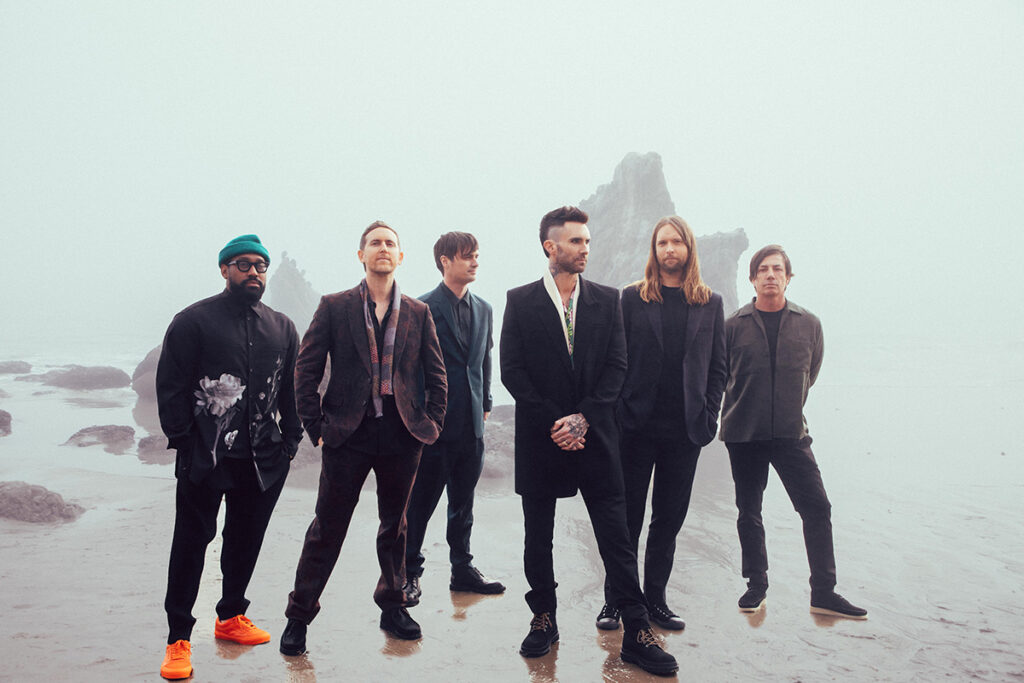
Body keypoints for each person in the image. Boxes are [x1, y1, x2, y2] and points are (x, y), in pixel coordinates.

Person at [499, 206, 677, 676]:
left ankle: (636, 630)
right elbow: (512, 371)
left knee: (617, 539)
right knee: (538, 537)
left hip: (597, 439)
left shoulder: (607, 298)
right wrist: (556, 422)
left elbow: (618, 366)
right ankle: (544, 618)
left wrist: (583, 419)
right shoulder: (520, 301)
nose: (585, 249)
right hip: (542, 440)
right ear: (550, 246)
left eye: (587, 241)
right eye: (576, 241)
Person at [280, 221, 447, 655]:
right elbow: (305, 370)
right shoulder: (334, 306)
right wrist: (316, 428)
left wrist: (430, 425)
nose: (383, 248)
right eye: (375, 243)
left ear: (400, 256)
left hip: (402, 434)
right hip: (346, 434)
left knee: (396, 527)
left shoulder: (418, 312)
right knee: (327, 528)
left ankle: (393, 607)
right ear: (362, 255)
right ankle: (299, 616)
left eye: (390, 243)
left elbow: (436, 375)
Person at [155, 234, 303, 680]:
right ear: (224, 269)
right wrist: (186, 442)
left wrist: (290, 441)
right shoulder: (192, 322)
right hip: (207, 455)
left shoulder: (282, 327)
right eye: (243, 264)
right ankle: (178, 638)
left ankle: (231, 616)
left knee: (245, 539)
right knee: (191, 543)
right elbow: (171, 388)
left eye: (260, 265)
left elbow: (291, 390)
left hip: (264, 458)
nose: (253, 271)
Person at [721, 244, 867, 619]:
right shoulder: (733, 326)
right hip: (744, 432)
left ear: (788, 277)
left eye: (777, 269)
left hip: (791, 434)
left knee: (817, 507)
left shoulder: (809, 324)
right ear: (752, 278)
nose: (770, 275)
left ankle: (824, 592)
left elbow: (810, 373)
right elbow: (720, 376)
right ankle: (756, 585)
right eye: (763, 270)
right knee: (749, 511)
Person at [596, 217, 726, 632]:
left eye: (677, 242)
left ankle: (656, 601)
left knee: (667, 521)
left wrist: (709, 415)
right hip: (635, 428)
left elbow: (718, 367)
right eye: (662, 243)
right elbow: (615, 359)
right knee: (626, 520)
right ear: (654, 250)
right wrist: (616, 412)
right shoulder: (632, 298)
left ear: (689, 248)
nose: (670, 249)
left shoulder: (710, 302)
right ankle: (616, 600)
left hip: (685, 431)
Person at [403, 232, 504, 607]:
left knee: (463, 505)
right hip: (433, 428)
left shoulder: (485, 309)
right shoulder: (421, 307)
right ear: (445, 261)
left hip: (472, 427)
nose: (475, 262)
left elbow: (484, 360)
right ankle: (408, 572)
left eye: (477, 255)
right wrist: (418, 418)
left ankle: (462, 570)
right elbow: (408, 369)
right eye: (467, 256)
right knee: (419, 505)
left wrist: (486, 401)